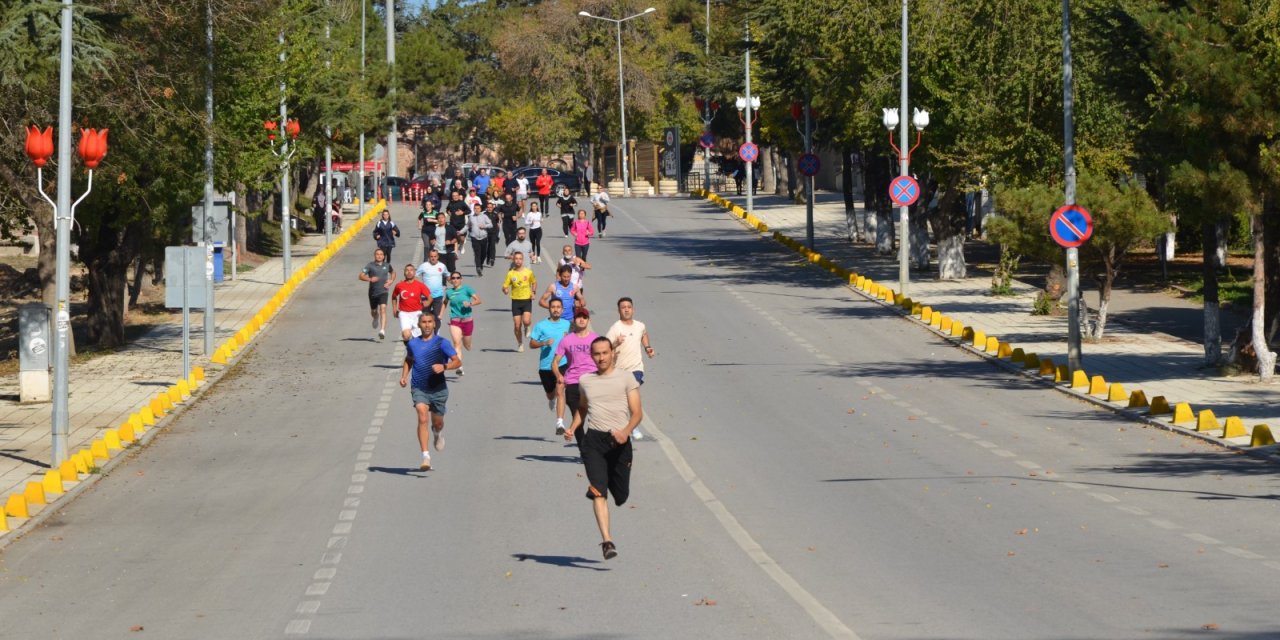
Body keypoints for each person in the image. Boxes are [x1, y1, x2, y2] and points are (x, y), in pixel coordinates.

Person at [569, 336, 642, 560]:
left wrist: (625, 432)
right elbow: (582, 408)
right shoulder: (586, 380)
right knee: (598, 490)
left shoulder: (626, 378)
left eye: (604, 353)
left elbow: (637, 413)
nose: (601, 357)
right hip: (594, 442)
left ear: (612, 353)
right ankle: (607, 541)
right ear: (592, 356)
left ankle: (606, 482)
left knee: (620, 495)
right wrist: (572, 428)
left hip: (619, 443)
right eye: (597, 354)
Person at [400, 313, 462, 471]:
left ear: (435, 324)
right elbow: (409, 359)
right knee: (421, 415)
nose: (427, 325)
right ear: (419, 325)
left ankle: (437, 432)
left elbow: (457, 361)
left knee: (438, 423)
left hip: (438, 389)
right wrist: (404, 376)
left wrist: (445, 367)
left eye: (430, 322)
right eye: (424, 322)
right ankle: (425, 456)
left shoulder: (442, 343)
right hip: (419, 387)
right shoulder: (413, 344)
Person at [606, 297, 654, 439]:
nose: (626, 309)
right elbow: (605, 347)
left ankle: (635, 428)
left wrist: (647, 347)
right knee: (623, 400)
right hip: (619, 370)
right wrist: (616, 343)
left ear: (633, 309)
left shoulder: (640, 325)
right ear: (618, 310)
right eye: (623, 307)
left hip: (636, 368)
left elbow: (644, 334)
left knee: (632, 395)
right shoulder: (615, 328)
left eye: (629, 307)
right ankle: (625, 426)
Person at [552, 308, 597, 436]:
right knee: (577, 421)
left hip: (592, 380)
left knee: (594, 418)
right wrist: (559, 375)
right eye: (579, 317)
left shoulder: (596, 339)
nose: (581, 319)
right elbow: (555, 362)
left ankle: (590, 450)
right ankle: (584, 451)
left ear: (589, 320)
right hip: (572, 382)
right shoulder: (566, 340)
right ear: (574, 320)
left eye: (584, 317)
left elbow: (603, 359)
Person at [529, 297, 571, 425]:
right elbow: (531, 344)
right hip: (546, 366)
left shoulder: (567, 324)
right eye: (553, 307)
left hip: (562, 363)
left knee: (560, 390)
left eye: (558, 307)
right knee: (550, 394)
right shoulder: (541, 326)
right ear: (549, 309)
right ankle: (551, 399)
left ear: (562, 309)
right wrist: (544, 343)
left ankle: (560, 422)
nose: (556, 310)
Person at [444, 271, 480, 375]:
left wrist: (470, 304)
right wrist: (440, 315)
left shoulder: (467, 289)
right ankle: (459, 366)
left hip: (467, 320)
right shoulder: (449, 292)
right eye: (453, 278)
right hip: (455, 319)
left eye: (457, 278)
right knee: (456, 343)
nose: (455, 280)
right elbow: (445, 303)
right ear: (451, 280)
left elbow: (478, 300)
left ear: (461, 279)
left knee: (467, 346)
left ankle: (468, 343)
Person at [502, 250, 537, 352]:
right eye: (516, 259)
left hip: (526, 299)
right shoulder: (510, 274)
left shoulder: (528, 272)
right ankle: (520, 343)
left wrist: (533, 292)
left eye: (520, 259)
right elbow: (504, 286)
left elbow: (534, 282)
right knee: (517, 325)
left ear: (523, 260)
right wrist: (505, 290)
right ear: (513, 260)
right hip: (516, 301)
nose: (518, 261)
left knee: (526, 321)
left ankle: (527, 327)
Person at [359, 248, 396, 341]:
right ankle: (375, 317)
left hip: (384, 291)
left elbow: (393, 272)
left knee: (383, 309)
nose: (379, 256)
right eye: (377, 254)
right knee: (374, 311)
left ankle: (382, 330)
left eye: (381, 254)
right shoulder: (370, 265)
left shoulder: (387, 265)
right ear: (374, 256)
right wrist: (369, 279)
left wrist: (391, 280)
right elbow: (361, 275)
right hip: (373, 292)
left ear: (384, 256)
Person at [391, 263, 433, 342]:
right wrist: (394, 309)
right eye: (407, 270)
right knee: (406, 335)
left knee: (418, 336)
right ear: (404, 273)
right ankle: (409, 348)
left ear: (414, 272)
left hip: (417, 313)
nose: (409, 272)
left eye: (411, 270)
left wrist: (428, 302)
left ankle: (413, 346)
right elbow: (394, 297)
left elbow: (430, 297)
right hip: (404, 313)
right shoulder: (399, 285)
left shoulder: (420, 285)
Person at [416, 249, 449, 324]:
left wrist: (455, 283)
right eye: (431, 256)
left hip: (438, 295)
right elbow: (415, 276)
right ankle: (425, 334)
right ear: (429, 257)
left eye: (435, 256)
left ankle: (436, 334)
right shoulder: (423, 266)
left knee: (437, 316)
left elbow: (447, 275)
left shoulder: (442, 266)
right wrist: (419, 286)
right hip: (426, 296)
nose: (433, 258)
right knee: (425, 317)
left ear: (438, 257)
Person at [467, 203, 494, 276]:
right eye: (475, 208)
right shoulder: (471, 217)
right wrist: (460, 232)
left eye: (478, 208)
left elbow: (491, 225)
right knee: (477, 253)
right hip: (474, 237)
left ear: (480, 209)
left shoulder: (484, 216)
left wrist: (484, 226)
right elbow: (467, 226)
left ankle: (480, 264)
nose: (476, 210)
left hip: (483, 237)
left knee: (484, 254)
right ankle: (478, 267)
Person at [484, 200, 502, 269]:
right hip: (485, 233)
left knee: (492, 246)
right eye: (488, 207)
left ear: (492, 207)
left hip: (494, 232)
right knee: (487, 246)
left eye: (490, 207)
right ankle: (488, 257)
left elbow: (498, 223)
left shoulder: (495, 214)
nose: (489, 208)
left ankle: (492, 259)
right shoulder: (484, 214)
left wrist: (498, 234)